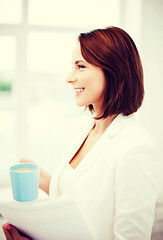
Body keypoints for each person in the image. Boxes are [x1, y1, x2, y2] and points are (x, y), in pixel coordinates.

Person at [2, 26, 162, 240]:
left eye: (80, 66)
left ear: (112, 71)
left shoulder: (137, 148)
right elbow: (89, 205)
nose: (69, 77)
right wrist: (49, 182)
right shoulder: (88, 129)